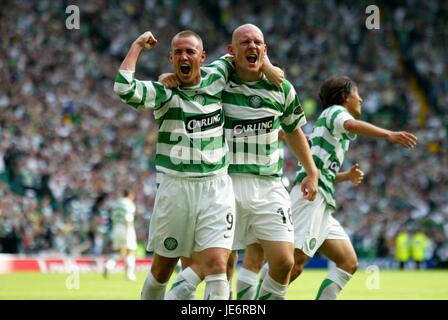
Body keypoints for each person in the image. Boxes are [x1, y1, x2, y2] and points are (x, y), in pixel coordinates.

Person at [114, 30, 281, 300]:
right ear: (170, 58)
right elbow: (124, 88)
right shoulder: (164, 93)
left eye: (190, 52)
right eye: (178, 52)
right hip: (176, 188)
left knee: (217, 265)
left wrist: (270, 68)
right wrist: (136, 46)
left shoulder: (217, 76)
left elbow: (244, 51)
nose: (184, 56)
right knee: (162, 269)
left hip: (216, 187)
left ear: (202, 57)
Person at [163, 24, 318, 301]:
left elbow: (294, 130)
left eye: (258, 42)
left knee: (284, 262)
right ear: (232, 52)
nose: (252, 47)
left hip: (269, 183)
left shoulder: (281, 88)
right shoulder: (219, 82)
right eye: (245, 42)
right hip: (226, 183)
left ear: (265, 49)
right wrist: (169, 77)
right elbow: (189, 75)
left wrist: (311, 172)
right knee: (215, 265)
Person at [284, 75, 417, 299]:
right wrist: (389, 134)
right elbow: (350, 124)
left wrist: (346, 176)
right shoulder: (336, 112)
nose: (361, 99)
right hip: (311, 197)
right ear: (345, 98)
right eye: (357, 94)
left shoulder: (329, 122)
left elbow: (321, 168)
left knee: (348, 262)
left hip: (321, 198)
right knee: (293, 265)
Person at [104, 190, 137, 281]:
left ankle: (109, 265)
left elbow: (112, 217)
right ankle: (130, 275)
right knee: (130, 251)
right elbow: (128, 219)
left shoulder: (116, 204)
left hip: (116, 229)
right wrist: (128, 233)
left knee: (118, 251)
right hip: (126, 228)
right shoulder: (129, 204)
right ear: (130, 195)